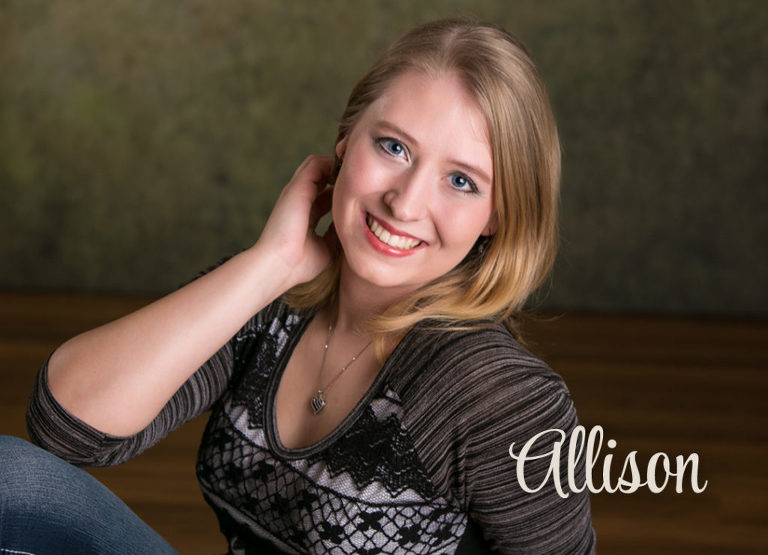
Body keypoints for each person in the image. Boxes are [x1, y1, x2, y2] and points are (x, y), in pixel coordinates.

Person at [1, 18, 595, 554]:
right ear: (344, 143)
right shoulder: (270, 303)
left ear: (497, 215)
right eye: (393, 147)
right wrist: (274, 263)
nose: (406, 202)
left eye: (461, 181)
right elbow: (66, 432)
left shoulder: (499, 397)